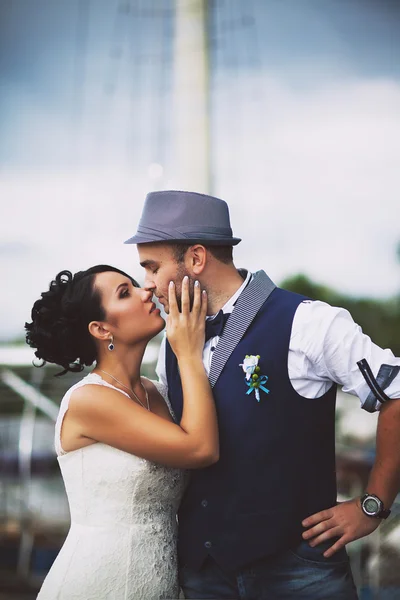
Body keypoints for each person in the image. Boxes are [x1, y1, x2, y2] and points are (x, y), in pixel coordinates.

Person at [125, 190, 400, 600]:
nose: (147, 285)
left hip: (302, 573)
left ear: (196, 259)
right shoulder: (172, 342)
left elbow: (396, 390)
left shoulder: (308, 322)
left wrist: (373, 504)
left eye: (152, 267)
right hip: (204, 576)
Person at [25, 264, 218, 600]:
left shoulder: (159, 393)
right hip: (98, 583)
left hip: (163, 585)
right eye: (125, 293)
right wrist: (187, 352)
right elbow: (201, 450)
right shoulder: (90, 400)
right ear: (101, 329)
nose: (147, 292)